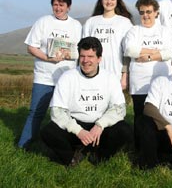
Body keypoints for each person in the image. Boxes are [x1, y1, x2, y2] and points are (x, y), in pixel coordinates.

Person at [40, 37, 133, 166]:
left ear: (99, 58)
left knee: (124, 130)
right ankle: (71, 157)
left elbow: (119, 108)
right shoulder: (67, 77)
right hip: (74, 125)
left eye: (91, 56)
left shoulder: (110, 78)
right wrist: (78, 131)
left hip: (99, 126)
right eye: (82, 56)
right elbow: (57, 112)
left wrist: (100, 125)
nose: (85, 61)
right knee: (48, 131)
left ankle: (99, 156)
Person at [18, 0, 82, 149]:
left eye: (61, 5)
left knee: (67, 114)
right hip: (44, 76)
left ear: (69, 6)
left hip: (67, 78)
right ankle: (24, 145)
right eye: (55, 4)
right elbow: (31, 47)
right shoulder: (43, 22)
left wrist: (69, 55)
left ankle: (65, 145)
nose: (58, 8)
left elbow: (80, 51)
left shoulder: (76, 25)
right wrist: (48, 58)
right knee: (36, 112)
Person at [123, 0, 172, 149]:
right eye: (142, 12)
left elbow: (170, 52)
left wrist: (147, 55)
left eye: (149, 12)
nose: (146, 15)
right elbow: (129, 49)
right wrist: (157, 52)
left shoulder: (164, 31)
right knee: (140, 116)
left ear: (156, 12)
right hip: (140, 83)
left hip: (162, 81)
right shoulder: (134, 30)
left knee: (161, 116)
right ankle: (139, 147)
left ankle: (160, 146)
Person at [82, 0, 133, 90]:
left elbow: (127, 54)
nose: (109, 1)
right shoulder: (91, 22)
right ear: (101, 1)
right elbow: (83, 51)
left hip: (115, 75)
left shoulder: (124, 23)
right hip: (93, 74)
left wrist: (124, 76)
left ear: (117, 1)